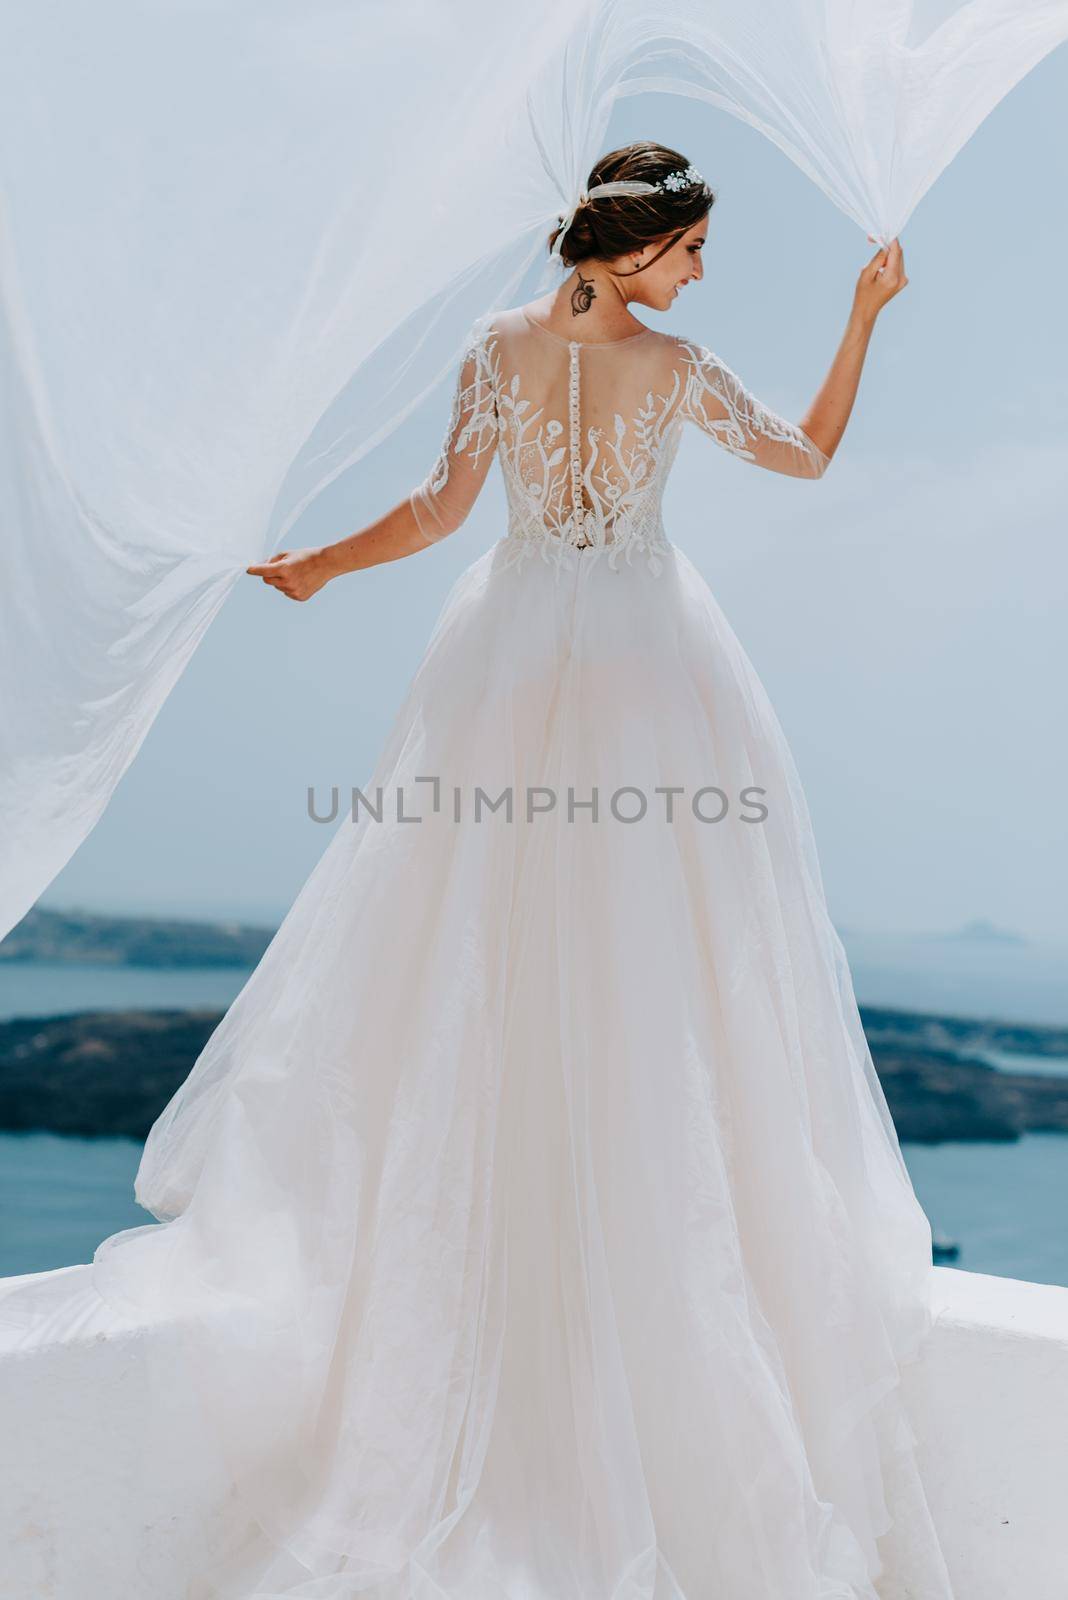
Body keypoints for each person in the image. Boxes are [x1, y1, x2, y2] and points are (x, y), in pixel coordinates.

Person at [92, 142, 948, 1597]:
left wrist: (316, 567)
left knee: (477, 952)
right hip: (645, 678)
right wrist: (866, 315)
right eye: (688, 251)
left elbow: (437, 516)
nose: (698, 274)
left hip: (501, 669)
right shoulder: (676, 369)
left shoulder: (501, 348)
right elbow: (809, 457)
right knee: (653, 973)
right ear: (628, 255)